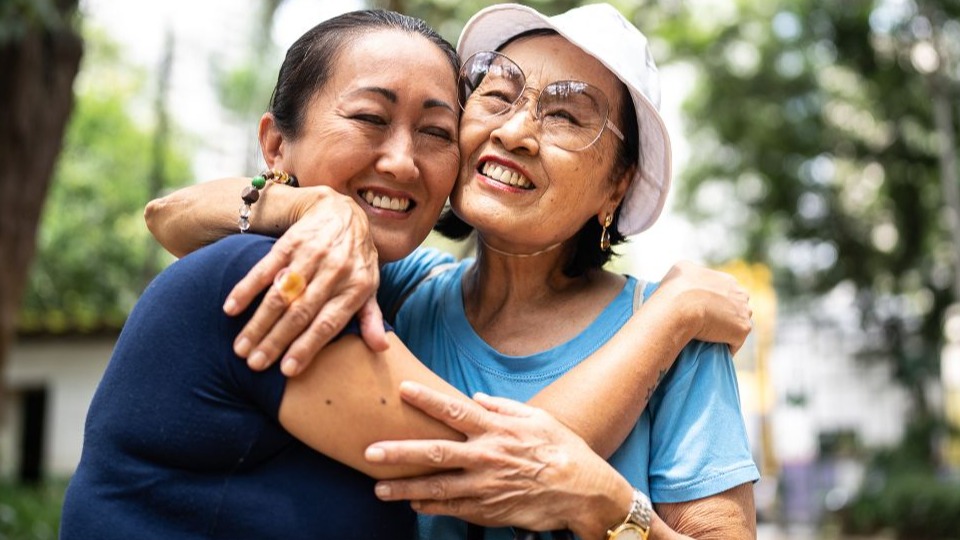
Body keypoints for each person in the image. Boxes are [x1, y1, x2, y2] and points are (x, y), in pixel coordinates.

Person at [65, 7, 752, 540]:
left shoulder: (679, 348)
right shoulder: (375, 286)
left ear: (617, 189)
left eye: (568, 115)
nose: (516, 131)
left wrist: (616, 513)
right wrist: (310, 205)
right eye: (498, 96)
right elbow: (171, 217)